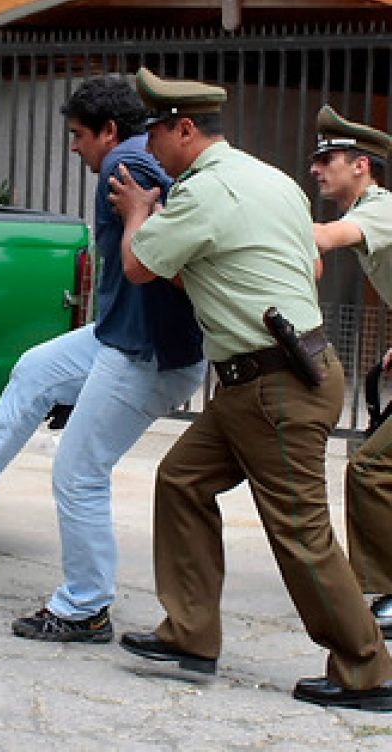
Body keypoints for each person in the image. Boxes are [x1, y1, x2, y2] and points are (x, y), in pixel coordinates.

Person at [108, 68, 392, 712]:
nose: (147, 145)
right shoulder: (273, 181)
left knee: (300, 531)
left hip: (274, 385)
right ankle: (190, 637)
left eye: (154, 131)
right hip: (266, 379)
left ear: (184, 129)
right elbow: (305, 265)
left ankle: (368, 671)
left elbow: (137, 264)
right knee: (181, 479)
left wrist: (137, 215)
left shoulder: (200, 195)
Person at [0, 75, 205, 644]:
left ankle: (85, 608)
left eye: (77, 135)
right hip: (120, 337)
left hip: (146, 354)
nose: (73, 147)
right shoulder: (139, 158)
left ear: (107, 131)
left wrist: (150, 211)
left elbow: (177, 229)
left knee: (79, 474)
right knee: (37, 368)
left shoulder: (129, 165)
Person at [309, 103, 392, 640]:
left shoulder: (379, 209)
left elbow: (324, 239)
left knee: (369, 467)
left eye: (329, 159)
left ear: (360, 166)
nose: (317, 169)